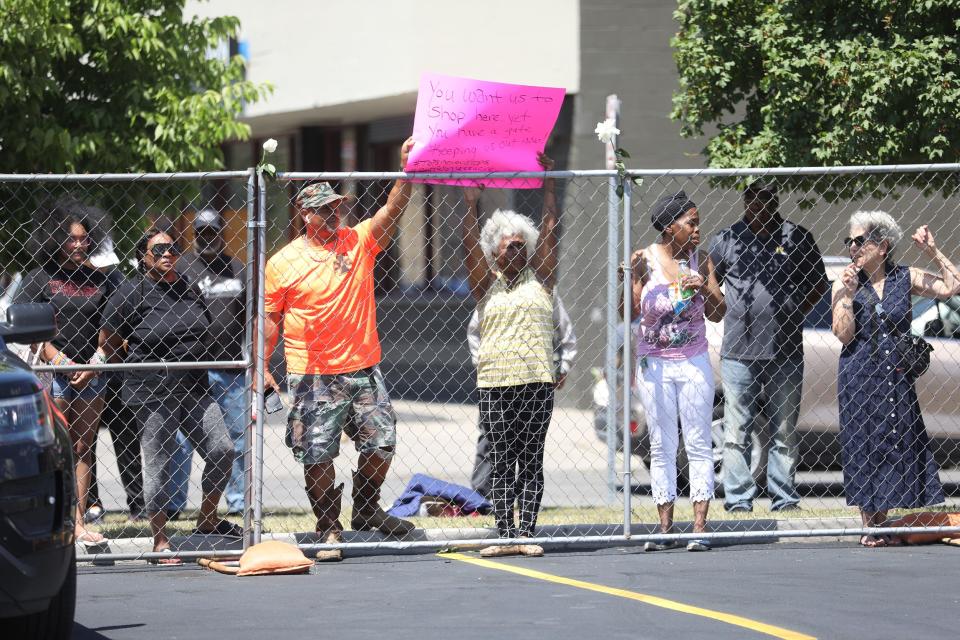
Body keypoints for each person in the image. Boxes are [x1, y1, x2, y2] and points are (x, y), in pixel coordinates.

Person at [262, 137, 417, 563]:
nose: (336, 213)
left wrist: (407, 172)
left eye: (339, 206)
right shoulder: (283, 262)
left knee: (381, 443)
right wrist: (262, 365)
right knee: (316, 452)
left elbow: (392, 211)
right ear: (306, 214)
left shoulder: (358, 242)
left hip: (363, 368)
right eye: (327, 208)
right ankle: (328, 524)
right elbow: (271, 320)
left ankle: (366, 508)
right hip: (312, 374)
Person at [101, 228, 238, 564]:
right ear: (143, 258)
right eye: (158, 249)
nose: (167, 253)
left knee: (222, 449)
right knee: (159, 464)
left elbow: (203, 328)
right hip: (152, 392)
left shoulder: (189, 287)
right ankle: (160, 540)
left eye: (173, 248)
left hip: (193, 387)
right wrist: (135, 368)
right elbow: (108, 340)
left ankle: (206, 519)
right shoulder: (131, 293)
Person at [832, 211, 959, 547]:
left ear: (882, 245)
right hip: (858, 376)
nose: (852, 247)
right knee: (863, 446)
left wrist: (932, 250)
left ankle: (882, 522)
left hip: (895, 377)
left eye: (860, 241)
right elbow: (843, 335)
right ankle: (868, 525)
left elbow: (953, 286)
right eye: (850, 241)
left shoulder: (906, 277)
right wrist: (846, 295)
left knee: (893, 441)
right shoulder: (845, 281)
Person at [708, 181, 828, 512]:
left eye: (767, 199)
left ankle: (784, 498)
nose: (760, 206)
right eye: (753, 199)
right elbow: (710, 283)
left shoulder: (797, 237)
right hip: (737, 352)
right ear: (745, 201)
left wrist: (793, 311)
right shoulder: (727, 239)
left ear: (776, 201)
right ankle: (738, 501)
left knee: (785, 430)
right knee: (737, 430)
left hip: (786, 351)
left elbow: (818, 284)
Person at [461, 151, 559, 558]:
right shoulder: (486, 284)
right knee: (502, 458)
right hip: (497, 383)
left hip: (537, 380)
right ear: (495, 253)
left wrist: (550, 186)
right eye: (509, 247)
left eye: (522, 246)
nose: (517, 252)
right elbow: (470, 245)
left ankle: (528, 532)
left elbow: (552, 233)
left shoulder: (542, 281)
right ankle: (505, 533)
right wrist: (471, 205)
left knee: (531, 459)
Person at [15, 196, 115, 545]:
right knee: (55, 449)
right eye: (71, 238)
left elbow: (115, 327)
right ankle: (51, 520)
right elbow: (29, 329)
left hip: (92, 376)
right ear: (56, 239)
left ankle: (77, 522)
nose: (78, 244)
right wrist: (58, 360)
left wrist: (96, 362)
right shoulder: (39, 278)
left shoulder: (102, 279)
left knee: (84, 447)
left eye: (84, 238)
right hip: (52, 375)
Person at [630, 191, 725, 552]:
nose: (698, 230)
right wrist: (633, 278)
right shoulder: (645, 259)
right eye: (692, 223)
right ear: (671, 227)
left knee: (699, 443)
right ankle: (664, 527)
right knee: (661, 444)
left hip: (693, 361)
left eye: (698, 223)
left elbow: (718, 312)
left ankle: (699, 526)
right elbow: (627, 312)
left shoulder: (702, 261)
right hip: (654, 364)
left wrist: (706, 288)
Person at [466, 292, 577, 499]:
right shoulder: (492, 292)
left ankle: (522, 497)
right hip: (497, 381)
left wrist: (563, 368)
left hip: (534, 382)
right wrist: (482, 364)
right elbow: (474, 330)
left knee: (529, 446)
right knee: (492, 437)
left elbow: (566, 332)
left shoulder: (545, 291)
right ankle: (483, 495)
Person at [177, 209, 248, 517]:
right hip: (192, 370)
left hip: (232, 368)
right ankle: (174, 503)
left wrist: (252, 358)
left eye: (213, 233)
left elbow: (251, 316)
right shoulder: (182, 269)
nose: (208, 239)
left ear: (222, 234)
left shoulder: (238, 269)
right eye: (202, 233)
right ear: (195, 235)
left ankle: (237, 502)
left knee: (237, 438)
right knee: (182, 440)